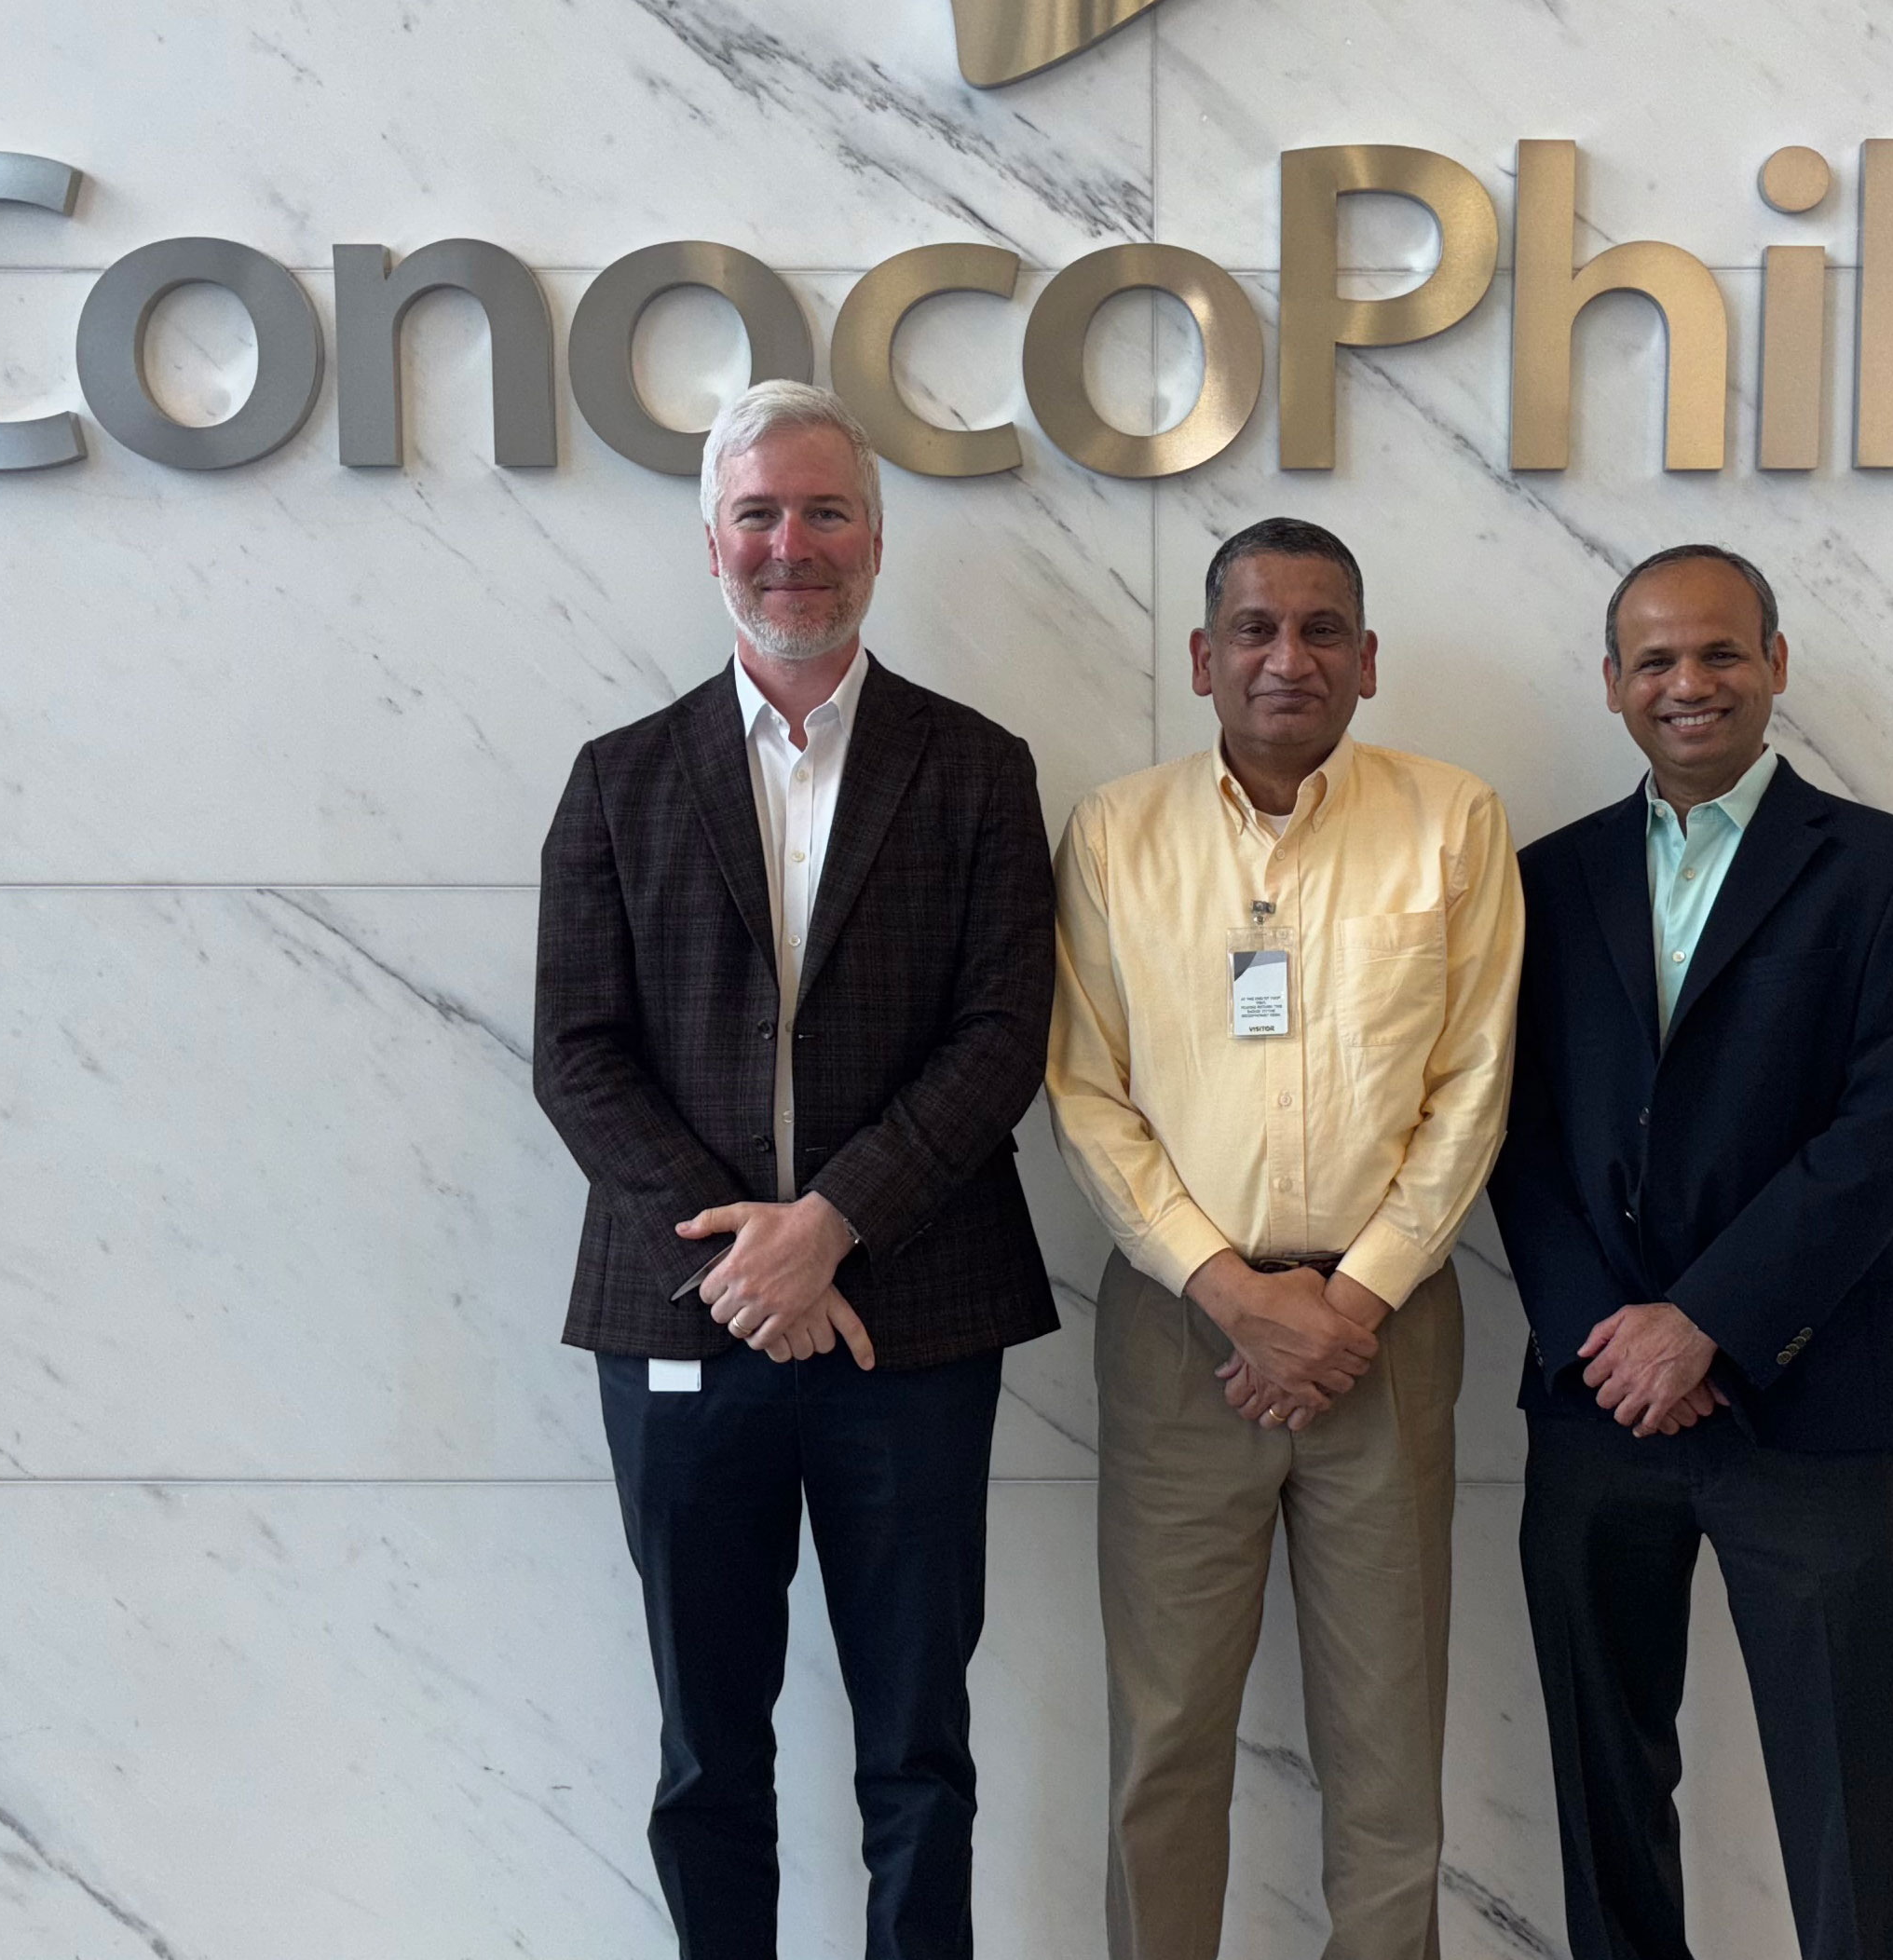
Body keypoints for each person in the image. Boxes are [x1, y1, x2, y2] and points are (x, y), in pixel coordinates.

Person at [531, 379, 1058, 1960]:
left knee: (919, 1747)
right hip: (682, 1328)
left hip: (916, 1321)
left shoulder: (974, 768)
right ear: (711, 546)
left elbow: (1001, 1034)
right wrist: (740, 1264)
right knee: (709, 1752)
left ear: (877, 543)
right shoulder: (618, 778)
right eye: (758, 514)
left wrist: (828, 1226)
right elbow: (575, 1053)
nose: (791, 545)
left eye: (824, 511)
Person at [1045, 517, 1524, 1960]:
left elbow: (1474, 1085)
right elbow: (1085, 1089)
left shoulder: (1452, 821)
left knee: (1387, 1751)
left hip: (1388, 1329)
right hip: (1178, 1332)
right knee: (1166, 1738)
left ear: (1366, 662)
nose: (1286, 657)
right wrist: (1228, 1288)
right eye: (1253, 629)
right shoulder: (1118, 833)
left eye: (1321, 631)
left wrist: (1350, 1299)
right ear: (1201, 657)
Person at [1488, 544, 1893, 1960]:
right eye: (1654, 660)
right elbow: (1510, 1134)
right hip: (1595, 1406)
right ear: (1611, 684)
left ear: (1773, 662)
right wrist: (1610, 1335)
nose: (1686, 685)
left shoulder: (1889, 872)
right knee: (1602, 1783)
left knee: (1850, 1798)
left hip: (1807, 1403)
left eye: (1716, 655)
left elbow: (1884, 1134)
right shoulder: (1540, 881)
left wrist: (1703, 1322)